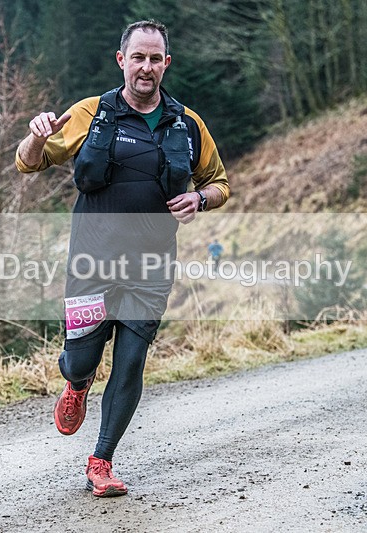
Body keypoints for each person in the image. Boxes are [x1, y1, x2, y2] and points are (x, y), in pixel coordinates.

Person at [15, 20, 230, 497]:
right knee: (80, 357)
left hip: (150, 270)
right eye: (138, 58)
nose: (146, 67)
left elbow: (220, 182)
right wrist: (36, 134)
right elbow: (28, 161)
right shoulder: (92, 113)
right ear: (122, 61)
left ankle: (102, 460)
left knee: (131, 362)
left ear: (166, 64)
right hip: (91, 264)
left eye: (155, 59)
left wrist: (202, 200)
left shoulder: (188, 124)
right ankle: (77, 382)